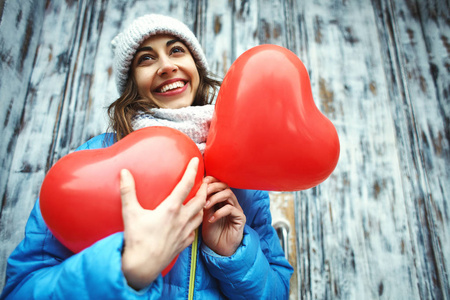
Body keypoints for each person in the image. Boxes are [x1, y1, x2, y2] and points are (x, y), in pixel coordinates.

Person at [1, 14, 293, 299]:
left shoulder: (239, 169)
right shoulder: (89, 163)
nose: (167, 66)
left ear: (196, 67)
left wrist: (234, 254)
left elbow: (277, 289)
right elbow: (22, 289)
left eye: (176, 50)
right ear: (131, 83)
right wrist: (127, 269)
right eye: (146, 58)